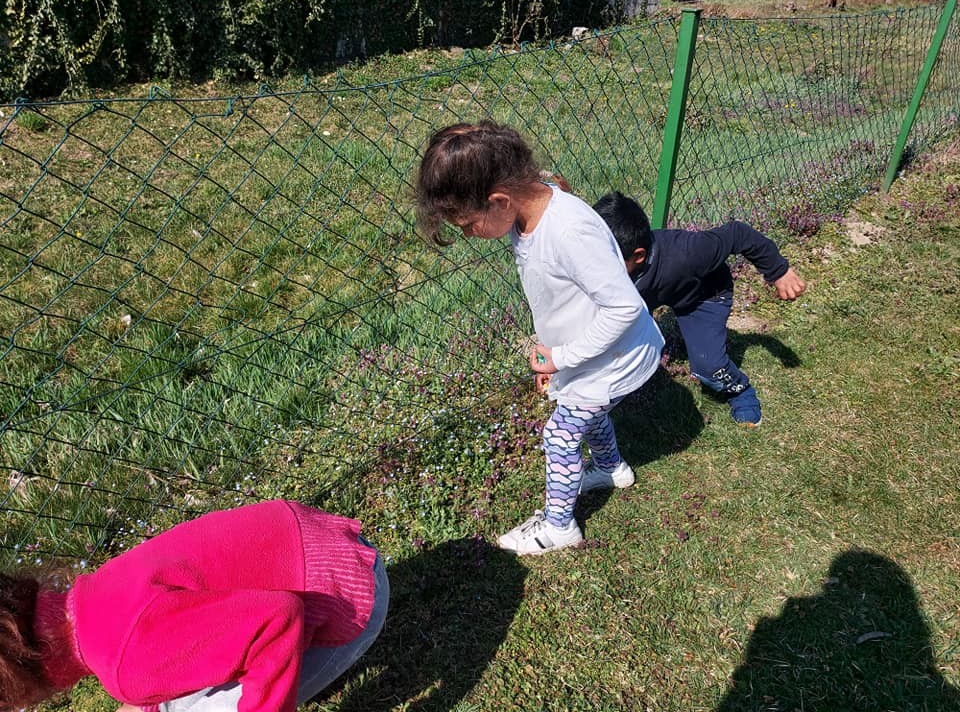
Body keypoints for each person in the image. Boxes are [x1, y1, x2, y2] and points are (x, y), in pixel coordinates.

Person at [415, 120, 664, 556]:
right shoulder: (530, 204)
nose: (468, 234)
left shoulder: (567, 232)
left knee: (561, 436)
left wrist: (560, 358)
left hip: (616, 354)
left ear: (498, 201)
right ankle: (611, 468)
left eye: (468, 224)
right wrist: (556, 355)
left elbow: (623, 308)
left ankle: (559, 527)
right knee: (582, 409)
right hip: (590, 350)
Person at [0, 500, 389, 712]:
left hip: (349, 594)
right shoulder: (92, 599)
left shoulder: (125, 667)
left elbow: (279, 618)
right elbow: (164, 633)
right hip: (317, 542)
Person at [593, 191, 806, 426]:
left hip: (704, 298)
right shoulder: (606, 267)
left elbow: (739, 234)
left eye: (604, 259)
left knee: (708, 366)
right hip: (653, 298)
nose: (594, 265)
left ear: (638, 256)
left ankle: (739, 390)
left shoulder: (689, 252)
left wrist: (779, 271)